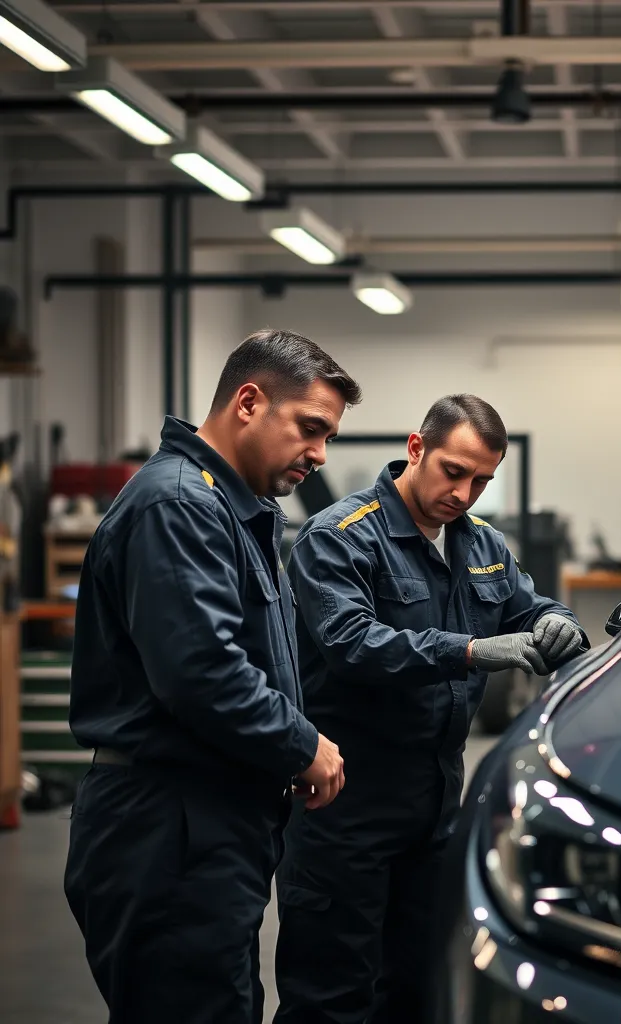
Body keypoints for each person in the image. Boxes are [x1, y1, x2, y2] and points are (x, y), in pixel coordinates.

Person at [64, 328, 361, 1024]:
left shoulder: (233, 507)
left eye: (329, 439)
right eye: (310, 428)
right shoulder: (178, 504)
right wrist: (301, 744)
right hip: (168, 824)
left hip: (206, 820)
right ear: (249, 401)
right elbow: (202, 671)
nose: (319, 455)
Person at [274, 393, 589, 1024]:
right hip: (344, 805)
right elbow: (352, 644)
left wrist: (558, 622)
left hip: (436, 807)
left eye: (482, 481)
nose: (465, 493)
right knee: (332, 996)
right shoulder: (339, 537)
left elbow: (528, 608)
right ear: (416, 448)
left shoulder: (482, 545)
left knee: (418, 989)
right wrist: (471, 650)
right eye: (454, 471)